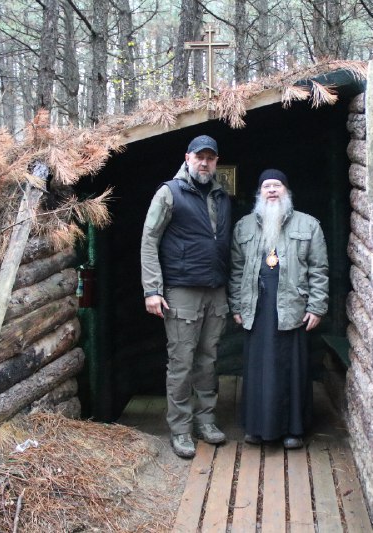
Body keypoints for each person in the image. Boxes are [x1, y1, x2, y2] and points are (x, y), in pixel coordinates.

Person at [140, 135, 231, 459]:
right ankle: (181, 430)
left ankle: (206, 421)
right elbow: (149, 240)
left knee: (208, 361)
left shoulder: (222, 196)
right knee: (181, 363)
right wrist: (153, 289)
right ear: (187, 158)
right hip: (181, 291)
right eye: (199, 157)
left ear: (216, 161)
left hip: (216, 290)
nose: (204, 163)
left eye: (210, 157)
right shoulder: (169, 193)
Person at [229, 169, 328, 449]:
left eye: (277, 185)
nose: (272, 190)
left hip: (292, 308)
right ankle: (256, 428)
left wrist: (317, 306)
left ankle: (292, 430)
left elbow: (319, 271)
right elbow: (236, 271)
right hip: (256, 308)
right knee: (257, 368)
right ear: (259, 193)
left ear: (287, 191)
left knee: (291, 368)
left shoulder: (308, 225)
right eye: (266, 186)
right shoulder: (244, 227)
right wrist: (236, 304)